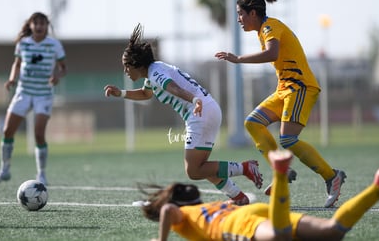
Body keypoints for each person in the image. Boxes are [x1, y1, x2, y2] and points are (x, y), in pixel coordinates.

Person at [104, 23, 263, 205]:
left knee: (194, 171)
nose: (125, 70)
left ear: (136, 64)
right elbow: (145, 94)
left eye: (126, 66)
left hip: (199, 112)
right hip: (207, 109)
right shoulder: (154, 70)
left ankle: (245, 168)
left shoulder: (156, 73)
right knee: (203, 167)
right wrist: (121, 93)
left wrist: (194, 100)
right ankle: (238, 197)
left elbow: (173, 88)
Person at [215, 0, 346, 207]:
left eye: (241, 14)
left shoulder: (269, 27)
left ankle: (332, 176)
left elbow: (272, 53)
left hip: (300, 88)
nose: (239, 19)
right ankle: (281, 171)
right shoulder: (264, 29)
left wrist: (237, 59)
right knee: (253, 123)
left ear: (253, 13)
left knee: (287, 139)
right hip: (285, 89)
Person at [140, 149, 379, 241]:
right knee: (332, 232)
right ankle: (378, 186)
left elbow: (167, 211)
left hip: (240, 224)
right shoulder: (209, 206)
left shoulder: (182, 216)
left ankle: (279, 174)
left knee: (280, 236)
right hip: (252, 214)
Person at [0, 12, 67, 186]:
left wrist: (57, 76)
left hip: (43, 95)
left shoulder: (54, 45)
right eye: (36, 23)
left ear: (47, 26)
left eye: (42, 23)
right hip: (23, 92)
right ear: (30, 25)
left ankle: (42, 174)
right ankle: (4, 170)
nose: (39, 26)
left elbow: (63, 68)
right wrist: (11, 79)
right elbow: (16, 64)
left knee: (39, 135)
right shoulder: (23, 43)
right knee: (8, 131)